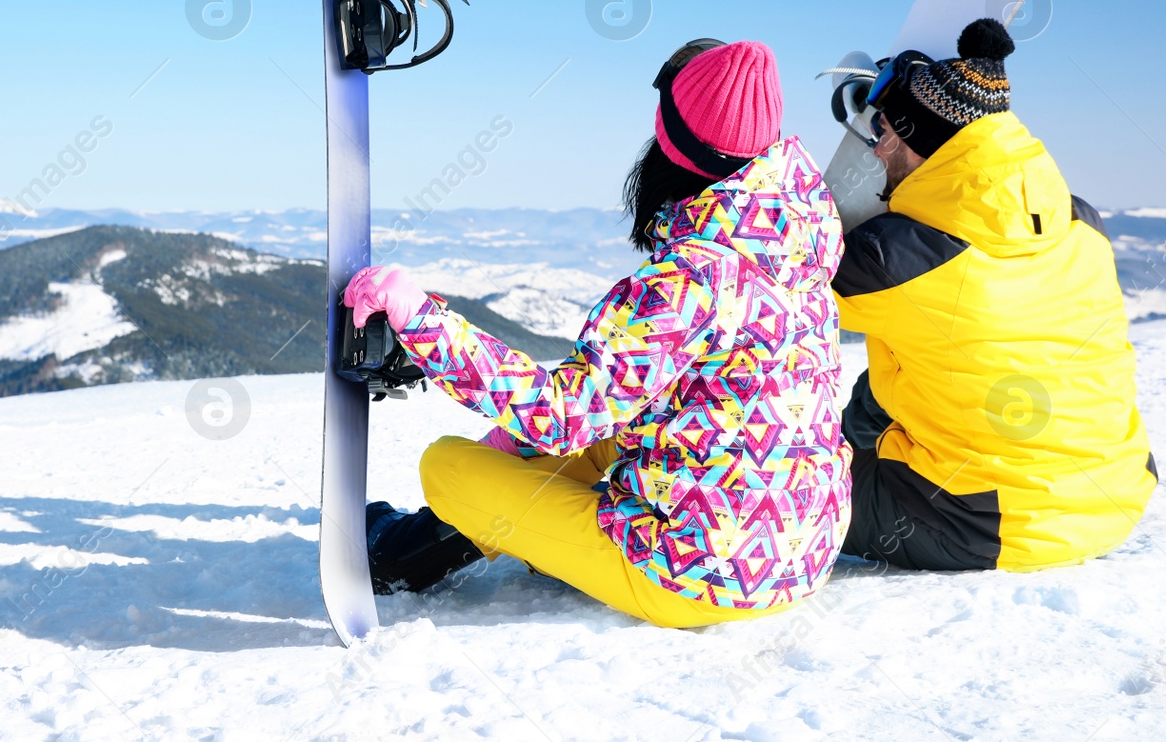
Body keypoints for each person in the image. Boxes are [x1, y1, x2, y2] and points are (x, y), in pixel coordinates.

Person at [344, 39, 851, 627]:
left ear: (670, 144)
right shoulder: (797, 239)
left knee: (450, 468)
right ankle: (457, 539)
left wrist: (421, 321)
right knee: (597, 439)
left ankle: (405, 557)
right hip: (799, 552)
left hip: (699, 579)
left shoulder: (695, 274)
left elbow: (561, 415)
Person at [834, 18, 1156, 570]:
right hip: (1116, 496)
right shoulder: (1081, 221)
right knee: (907, 367)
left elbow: (773, 289)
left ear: (918, 145)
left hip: (978, 521)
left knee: (779, 498)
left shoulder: (893, 259)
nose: (876, 151)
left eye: (884, 133)